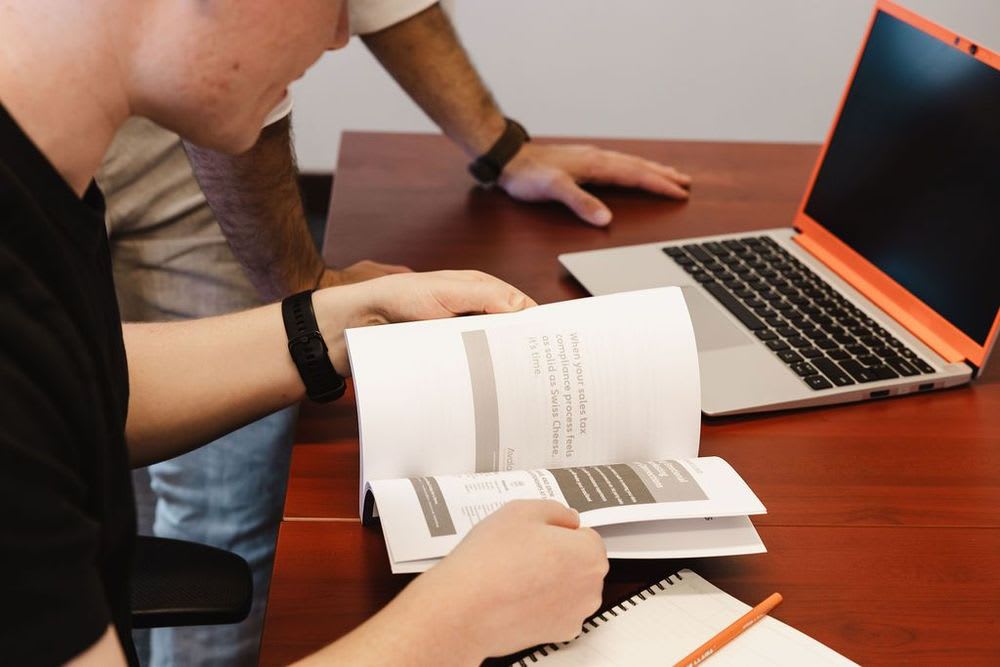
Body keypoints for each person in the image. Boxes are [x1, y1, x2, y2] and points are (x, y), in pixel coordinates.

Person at [0, 0, 610, 665]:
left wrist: (338, 324)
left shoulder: (39, 184)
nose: (340, 35)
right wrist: (461, 620)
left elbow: (77, 386)